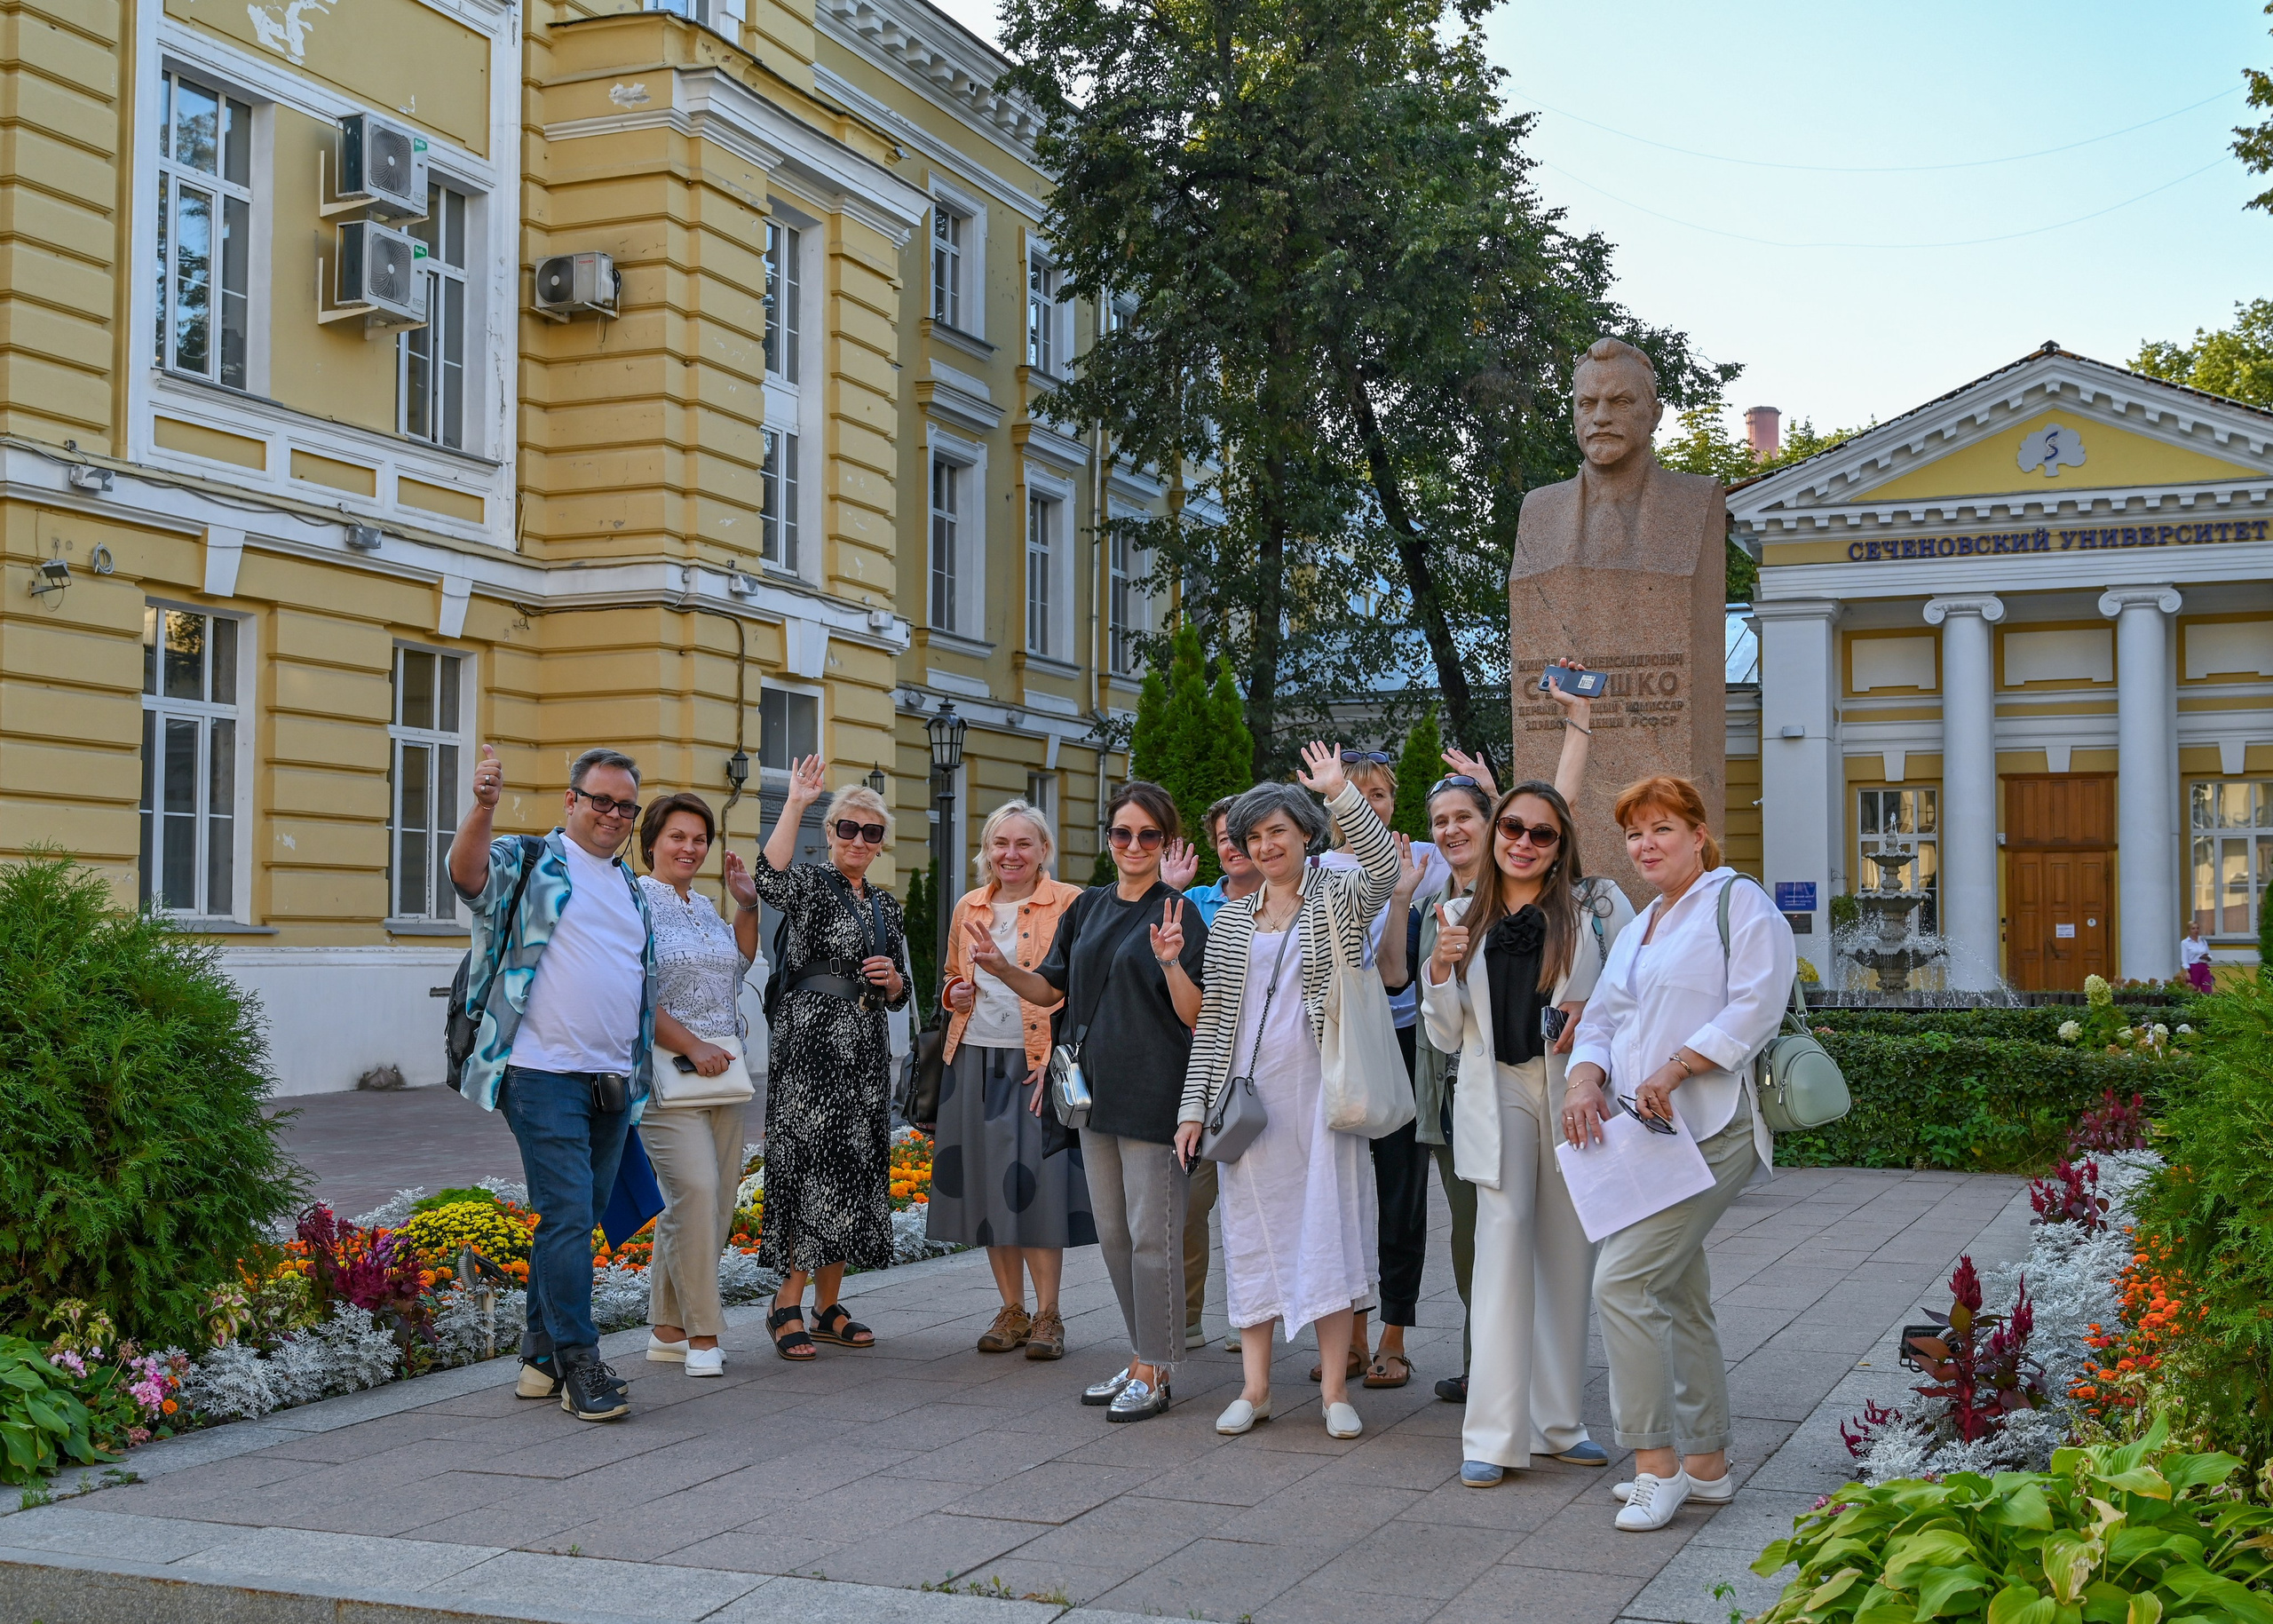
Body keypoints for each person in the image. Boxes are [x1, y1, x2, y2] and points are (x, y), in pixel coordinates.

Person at [1563, 775, 1797, 1532]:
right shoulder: (1642, 924)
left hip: (1715, 1124)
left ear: (1699, 835)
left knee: (1624, 1282)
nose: (1646, 845)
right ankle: (1706, 1465)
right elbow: (1601, 1017)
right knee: (1680, 1293)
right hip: (1646, 1135)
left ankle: (1654, 1465)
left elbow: (1758, 1002)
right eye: (1635, 834)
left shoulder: (1739, 902)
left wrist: (1677, 1064)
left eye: (1662, 828)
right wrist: (1585, 1076)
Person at [1175, 743, 1402, 1443]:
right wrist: (1192, 1108)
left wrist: (1340, 792)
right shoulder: (1231, 919)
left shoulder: (1337, 895)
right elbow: (1215, 1020)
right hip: (1251, 1107)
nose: (1265, 845)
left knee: (1327, 1232)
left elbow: (1386, 869)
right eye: (1253, 836)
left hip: (1324, 1095)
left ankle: (1334, 1391)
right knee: (1253, 1235)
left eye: (1277, 831)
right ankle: (1255, 1388)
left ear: (1306, 833)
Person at [1423, 774, 1634, 1487]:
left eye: (1542, 833)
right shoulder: (1458, 912)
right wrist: (1440, 968)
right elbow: (1445, 1035)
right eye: (1512, 827)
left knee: (1569, 1253)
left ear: (1560, 843)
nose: (1523, 842)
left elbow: (1630, 996)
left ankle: (1557, 1423)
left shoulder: (1593, 908)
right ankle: (1491, 1433)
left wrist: (1592, 1014)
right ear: (1495, 832)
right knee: (1503, 1243)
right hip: (1498, 1088)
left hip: (1570, 1088)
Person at [975, 781, 1206, 1422]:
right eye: (1123, 833)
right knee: (1114, 1237)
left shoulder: (1179, 913)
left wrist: (1170, 963)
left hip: (1155, 1093)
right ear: (1109, 839)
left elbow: (1197, 1013)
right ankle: (1142, 1356)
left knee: (1152, 1239)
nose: (1134, 845)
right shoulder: (1089, 908)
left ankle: (1156, 1368)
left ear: (1165, 842)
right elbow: (1050, 989)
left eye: (1149, 835)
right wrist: (1000, 968)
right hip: (1091, 1095)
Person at [447, 744, 659, 1423]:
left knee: (577, 1217)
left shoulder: (628, 885)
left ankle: (539, 1358)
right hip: (539, 1071)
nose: (614, 814)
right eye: (601, 800)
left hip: (611, 1079)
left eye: (625, 806)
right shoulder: (532, 858)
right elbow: (468, 876)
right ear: (572, 801)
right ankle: (579, 1361)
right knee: (567, 1211)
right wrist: (482, 807)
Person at [748, 755, 910, 1361]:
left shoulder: (887, 907)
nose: (859, 840)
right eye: (848, 828)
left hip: (864, 1048)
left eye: (871, 832)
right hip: (810, 1045)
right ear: (831, 833)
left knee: (851, 1167)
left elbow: (901, 993)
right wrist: (796, 801)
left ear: (881, 841)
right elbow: (769, 879)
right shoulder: (813, 885)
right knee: (809, 1165)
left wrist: (894, 981)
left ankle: (827, 1306)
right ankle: (785, 1302)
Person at [932, 800, 1092, 1360]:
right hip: (974, 1058)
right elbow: (951, 977)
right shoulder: (969, 906)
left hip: (1036, 1060)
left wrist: (1059, 1056)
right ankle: (1012, 1310)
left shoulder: (1069, 902)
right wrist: (953, 993)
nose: (1011, 854)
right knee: (988, 1187)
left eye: (1024, 843)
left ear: (1044, 849)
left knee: (1038, 1189)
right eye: (1001, 843)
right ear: (987, 851)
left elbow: (1078, 986)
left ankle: (1049, 1314)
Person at [1320, 753, 1447, 1390]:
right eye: (1357, 792)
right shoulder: (1316, 869)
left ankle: (1394, 1335)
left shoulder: (1423, 858)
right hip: (1339, 1043)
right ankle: (1352, 1333)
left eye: (1381, 794)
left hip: (1403, 1038)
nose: (1370, 804)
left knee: (1400, 1189)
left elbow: (1497, 845)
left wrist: (1486, 789)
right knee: (1343, 1192)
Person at [635, 792, 762, 1379]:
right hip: (664, 1073)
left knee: (711, 1200)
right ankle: (703, 1336)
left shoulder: (705, 905)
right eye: (677, 836)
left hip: (722, 1073)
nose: (689, 847)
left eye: (699, 839)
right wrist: (690, 1044)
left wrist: (747, 906)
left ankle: (667, 1330)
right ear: (652, 842)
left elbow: (737, 965)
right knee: (697, 1190)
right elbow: (631, 991)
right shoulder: (633, 902)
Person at [1180, 797, 1260, 1350]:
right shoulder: (1193, 903)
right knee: (1190, 1204)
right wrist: (1169, 891)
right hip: (1200, 1072)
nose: (1233, 845)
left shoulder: (1291, 900)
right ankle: (1186, 1319)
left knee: (1254, 1205)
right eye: (1224, 836)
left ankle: (1252, 1317)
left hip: (1263, 1070)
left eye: (1243, 834)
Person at [2181, 921, 2214, 994]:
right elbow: (2184, 958)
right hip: (2193, 968)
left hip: (2204, 967)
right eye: (2193, 928)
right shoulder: (2185, 943)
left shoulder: (2203, 941)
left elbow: (2209, 954)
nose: (2196, 930)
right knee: (2193, 990)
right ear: (2189, 930)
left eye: (2197, 928)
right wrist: (2187, 972)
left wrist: (2207, 958)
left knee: (2207, 989)